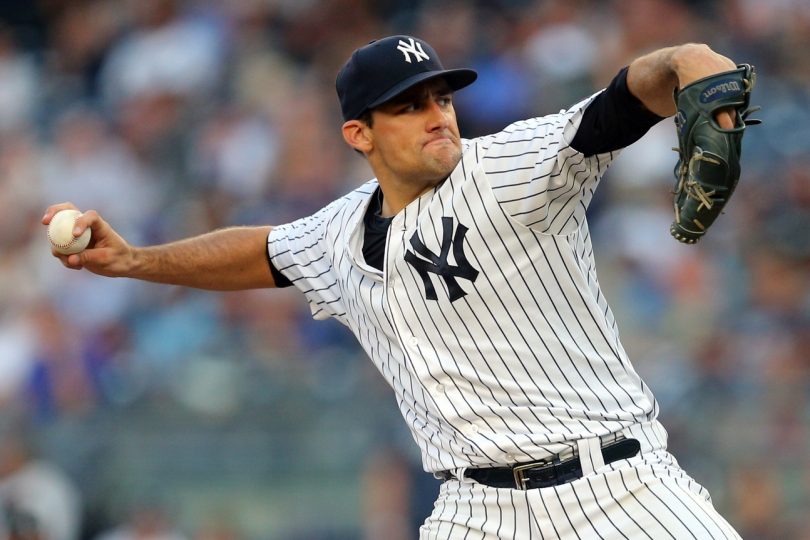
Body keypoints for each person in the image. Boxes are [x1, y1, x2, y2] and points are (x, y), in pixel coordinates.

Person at [45, 35, 744, 538]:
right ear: (359, 133)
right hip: (476, 512)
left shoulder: (511, 168)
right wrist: (135, 261)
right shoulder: (336, 233)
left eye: (441, 96)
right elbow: (257, 251)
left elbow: (633, 94)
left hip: (618, 489)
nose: (438, 113)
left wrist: (688, 63)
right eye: (409, 106)